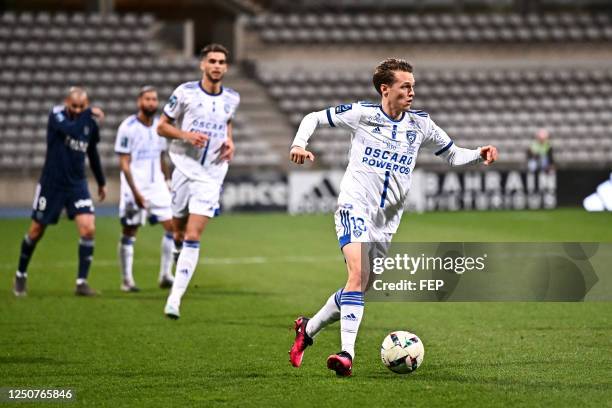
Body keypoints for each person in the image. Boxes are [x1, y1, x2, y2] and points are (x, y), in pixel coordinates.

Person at [288, 58, 499, 376]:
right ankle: (346, 354)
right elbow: (313, 117)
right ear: (385, 89)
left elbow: (453, 153)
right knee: (358, 276)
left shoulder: (421, 125)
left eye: (413, 85)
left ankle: (307, 329)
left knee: (358, 286)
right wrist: (299, 144)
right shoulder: (363, 114)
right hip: (354, 207)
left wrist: (478, 152)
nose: (412, 91)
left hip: (387, 220)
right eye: (405, 86)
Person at [156, 43, 240, 319]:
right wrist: (186, 136)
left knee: (193, 235)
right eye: (212, 61)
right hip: (182, 166)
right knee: (178, 230)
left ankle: (174, 299)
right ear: (203, 65)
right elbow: (162, 126)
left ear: (225, 68)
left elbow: (227, 122)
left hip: (212, 174)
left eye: (221, 62)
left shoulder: (232, 98)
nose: (217, 65)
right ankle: (179, 253)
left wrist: (229, 141)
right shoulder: (185, 92)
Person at [13, 87, 106, 297]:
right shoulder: (56, 114)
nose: (78, 110)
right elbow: (72, 130)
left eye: (82, 106)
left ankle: (81, 282)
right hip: (51, 184)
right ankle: (20, 274)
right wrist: (88, 113)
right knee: (36, 231)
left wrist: (101, 181)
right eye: (74, 106)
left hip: (77, 185)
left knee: (88, 229)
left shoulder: (89, 123)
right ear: (66, 102)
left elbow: (92, 152)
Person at [114, 86, 175, 292]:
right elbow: (124, 163)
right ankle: (127, 280)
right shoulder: (128, 127)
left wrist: (167, 182)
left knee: (173, 228)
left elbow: (162, 157)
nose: (151, 103)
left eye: (154, 99)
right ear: (139, 102)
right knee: (130, 231)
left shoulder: (160, 126)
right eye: (147, 99)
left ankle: (166, 275)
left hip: (157, 185)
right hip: (134, 187)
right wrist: (136, 193)